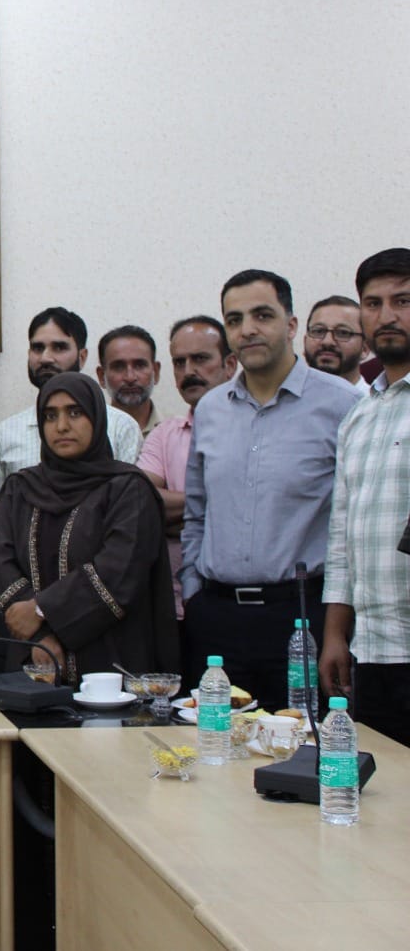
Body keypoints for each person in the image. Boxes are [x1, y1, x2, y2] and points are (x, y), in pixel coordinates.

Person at [181, 269, 357, 707]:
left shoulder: (343, 405)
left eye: (262, 315)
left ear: (291, 324)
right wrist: (194, 592)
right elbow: (197, 514)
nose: (248, 330)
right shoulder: (211, 409)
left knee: (302, 742)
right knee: (216, 742)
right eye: (235, 319)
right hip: (217, 616)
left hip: (303, 617)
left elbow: (353, 521)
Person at [0, 373, 179, 679]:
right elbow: (0, 561)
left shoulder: (128, 488)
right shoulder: (20, 488)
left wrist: (42, 612)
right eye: (50, 416)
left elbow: (119, 571)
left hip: (110, 657)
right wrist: (40, 635)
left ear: (97, 417)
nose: (62, 426)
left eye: (75, 413)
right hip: (32, 655)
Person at [321, 249, 410, 745]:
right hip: (371, 648)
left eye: (403, 301)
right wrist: (336, 635)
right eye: (373, 304)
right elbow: (342, 537)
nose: (387, 316)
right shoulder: (359, 416)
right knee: (383, 783)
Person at [135, 317, 238, 618]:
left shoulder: (255, 432)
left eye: (200, 359)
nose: (188, 371)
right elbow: (142, 502)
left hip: (239, 599)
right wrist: (217, 506)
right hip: (176, 606)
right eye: (179, 362)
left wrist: (176, 512)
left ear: (230, 365)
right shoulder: (164, 435)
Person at [0, 306, 142, 482]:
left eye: (59, 347)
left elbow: (129, 493)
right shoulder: (6, 433)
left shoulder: (121, 427)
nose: (45, 358)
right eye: (37, 348)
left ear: (82, 356)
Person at [95, 325, 163, 437]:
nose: (130, 377)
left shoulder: (177, 432)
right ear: (102, 376)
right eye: (118, 367)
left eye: (139, 366)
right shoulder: (90, 434)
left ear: (155, 372)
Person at [303, 294, 369, 396]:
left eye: (343, 333)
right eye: (318, 331)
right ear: (305, 341)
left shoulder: (377, 404)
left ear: (365, 348)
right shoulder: (286, 401)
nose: (327, 342)